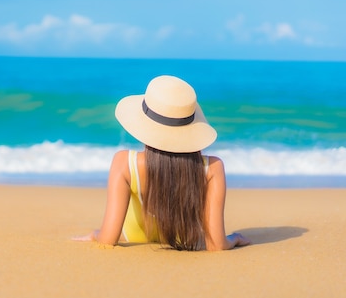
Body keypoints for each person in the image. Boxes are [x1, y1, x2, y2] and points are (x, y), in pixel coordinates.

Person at [73, 75, 250, 251]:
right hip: (186, 237)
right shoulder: (212, 168)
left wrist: (95, 234)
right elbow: (216, 244)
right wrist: (234, 238)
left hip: (137, 238)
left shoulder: (125, 163)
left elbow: (108, 239)